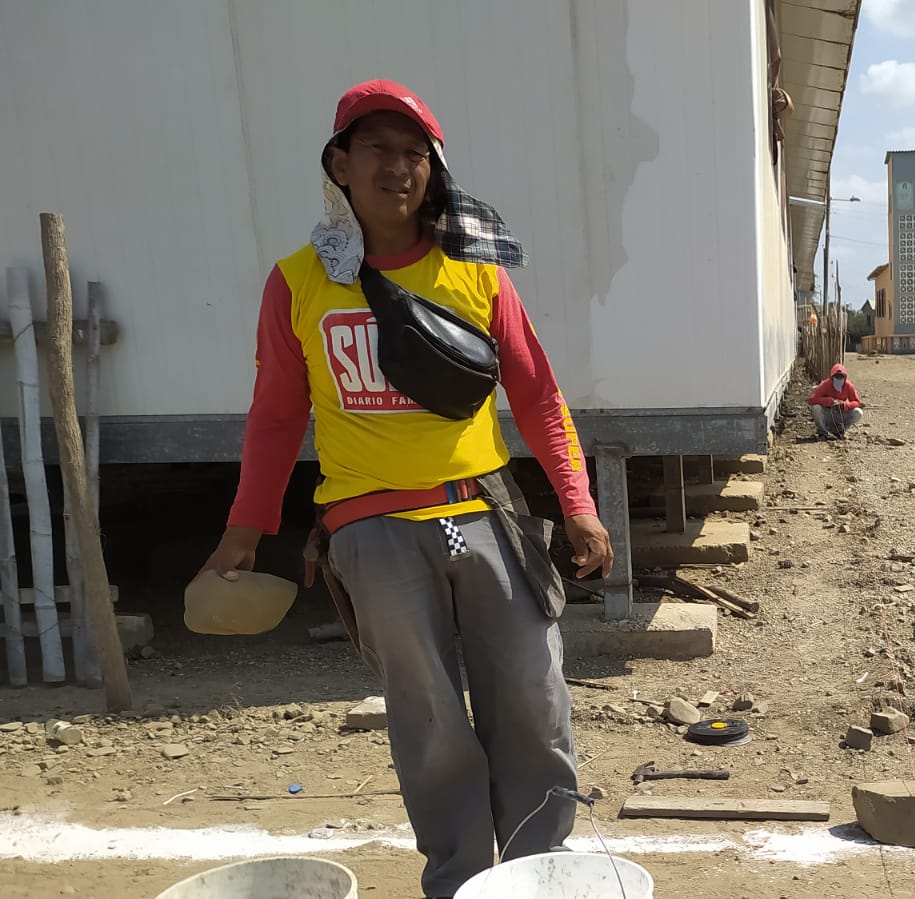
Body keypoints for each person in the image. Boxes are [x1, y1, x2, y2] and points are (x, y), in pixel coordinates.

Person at [197, 80, 614, 899]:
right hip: (372, 530)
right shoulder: (298, 283)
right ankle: (460, 883)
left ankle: (539, 877)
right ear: (340, 166)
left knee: (533, 700)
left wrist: (577, 501)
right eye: (378, 150)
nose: (398, 168)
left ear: (434, 170)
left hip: (483, 513)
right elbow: (276, 415)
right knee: (429, 723)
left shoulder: (475, 272)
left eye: (415, 154)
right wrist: (244, 529)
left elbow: (537, 393)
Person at [808, 363, 862, 439]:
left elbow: (857, 402)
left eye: (841, 377)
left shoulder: (848, 386)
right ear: (832, 377)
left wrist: (845, 405)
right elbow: (811, 400)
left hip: (841, 414)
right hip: (828, 414)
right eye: (836, 376)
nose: (839, 379)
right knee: (816, 408)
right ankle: (823, 432)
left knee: (858, 412)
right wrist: (829, 401)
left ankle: (840, 430)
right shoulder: (825, 384)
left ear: (845, 377)